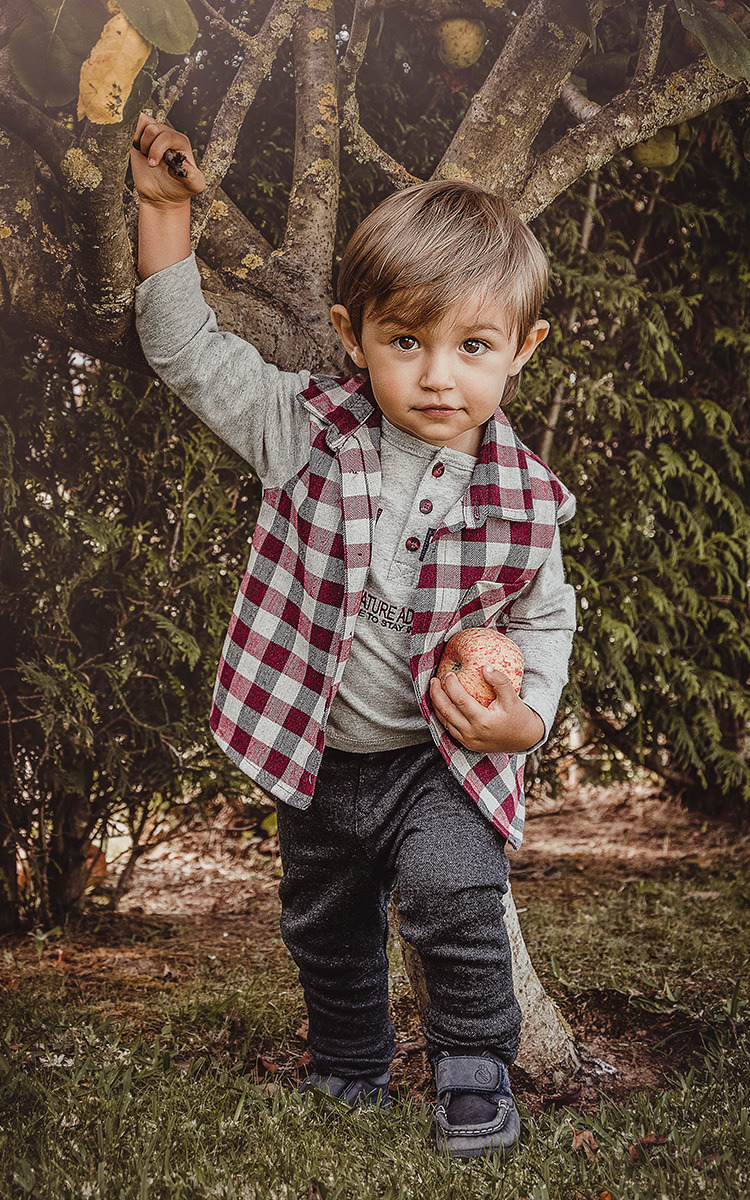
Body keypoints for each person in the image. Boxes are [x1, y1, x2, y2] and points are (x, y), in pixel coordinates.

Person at [131, 113, 576, 1159]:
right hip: (321, 755)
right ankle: (349, 1064)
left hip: (439, 759)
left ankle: (475, 1070)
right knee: (324, 925)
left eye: (473, 346)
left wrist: (524, 722)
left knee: (456, 896)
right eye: (405, 341)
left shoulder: (525, 499)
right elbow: (187, 353)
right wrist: (162, 213)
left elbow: (546, 616)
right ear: (352, 333)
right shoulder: (306, 430)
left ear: (523, 350)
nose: (438, 376)